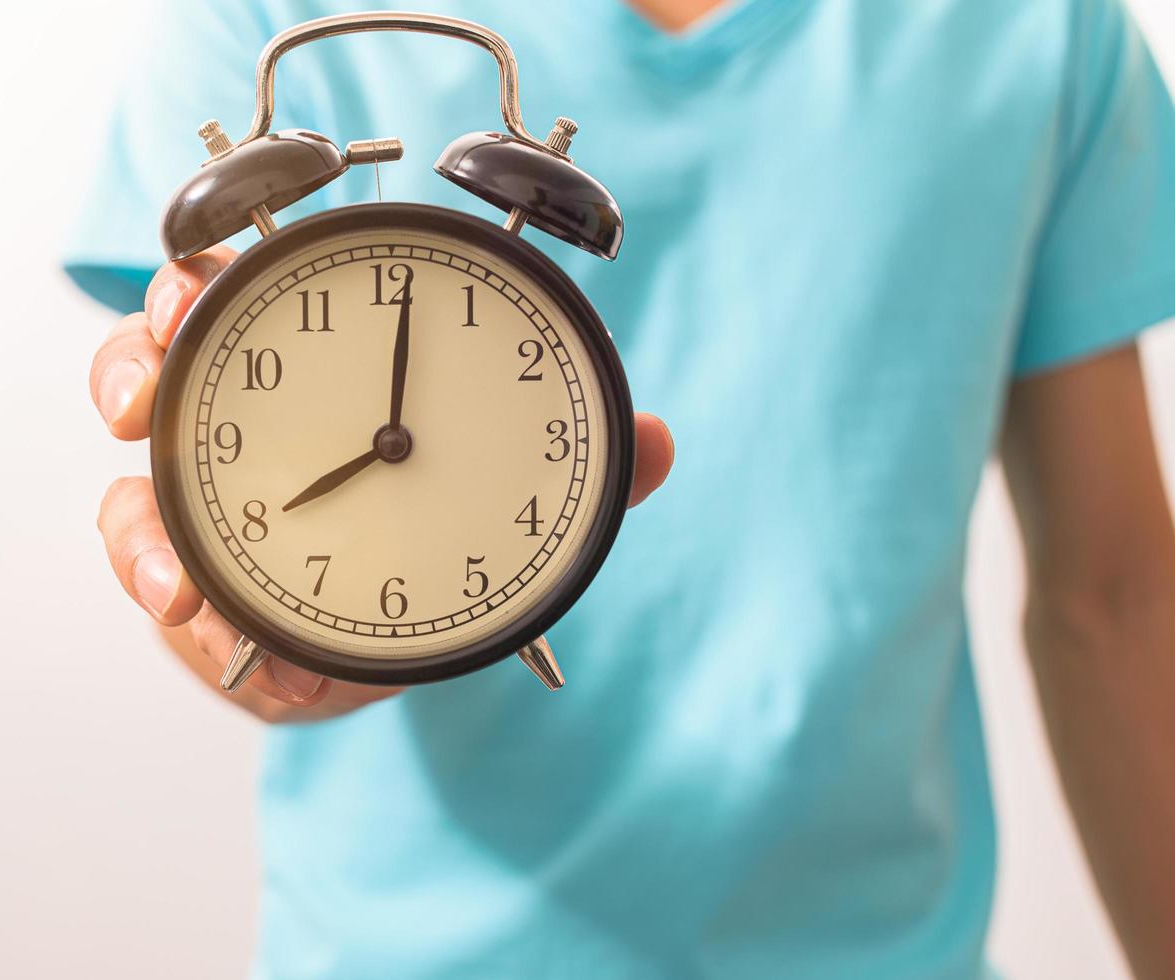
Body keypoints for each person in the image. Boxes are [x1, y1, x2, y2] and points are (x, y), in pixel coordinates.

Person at [67, 0, 1175, 976]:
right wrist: (264, 628)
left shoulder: (1043, 26)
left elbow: (1117, 599)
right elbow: (197, 509)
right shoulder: (261, 9)